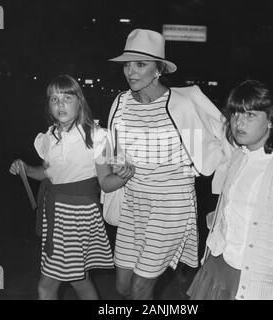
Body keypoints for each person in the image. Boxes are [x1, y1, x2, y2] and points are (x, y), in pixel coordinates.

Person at [102, 29, 232, 300]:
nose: (131, 72)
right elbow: (112, 149)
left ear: (158, 69)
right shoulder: (121, 103)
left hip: (171, 207)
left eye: (140, 64)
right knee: (123, 287)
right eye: (127, 64)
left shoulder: (181, 104)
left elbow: (220, 142)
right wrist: (118, 167)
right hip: (133, 205)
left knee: (140, 288)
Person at [9, 75, 134, 300]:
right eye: (54, 99)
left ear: (79, 101)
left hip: (78, 215)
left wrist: (124, 176)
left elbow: (105, 182)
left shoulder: (97, 136)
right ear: (48, 106)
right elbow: (48, 174)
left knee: (47, 287)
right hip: (54, 214)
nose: (60, 104)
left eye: (67, 98)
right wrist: (26, 168)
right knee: (78, 279)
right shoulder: (47, 138)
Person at [187, 80, 273, 300]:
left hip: (253, 282)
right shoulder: (238, 158)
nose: (239, 123)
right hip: (218, 267)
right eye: (235, 114)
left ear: (272, 120)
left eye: (250, 115)